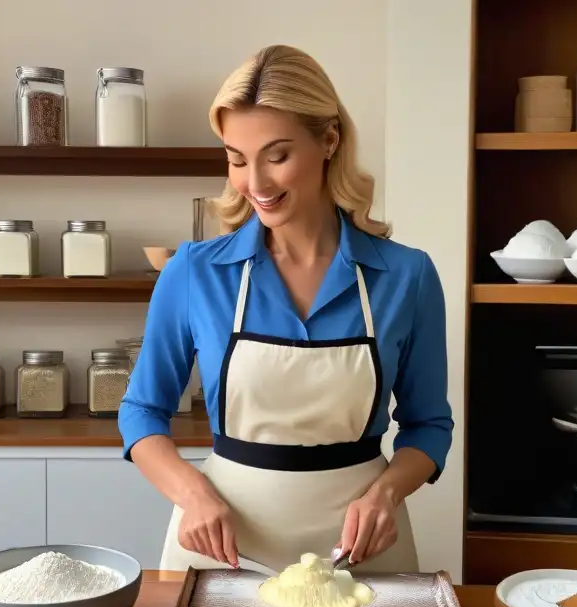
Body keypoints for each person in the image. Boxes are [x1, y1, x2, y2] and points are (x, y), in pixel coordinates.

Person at [119, 44, 453, 574]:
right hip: (222, 547)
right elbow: (140, 412)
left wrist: (386, 495)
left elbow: (429, 425)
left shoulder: (406, 276)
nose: (256, 184)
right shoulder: (195, 272)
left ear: (329, 139)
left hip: (361, 548)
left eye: (277, 156)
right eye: (236, 159)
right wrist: (193, 495)